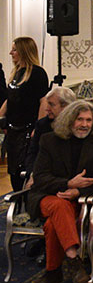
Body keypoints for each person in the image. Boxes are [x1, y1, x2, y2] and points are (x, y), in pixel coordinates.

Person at [25, 101, 93, 283]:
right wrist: (68, 184)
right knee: (59, 206)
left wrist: (78, 191)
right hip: (48, 196)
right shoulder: (49, 140)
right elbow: (41, 177)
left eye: (89, 120)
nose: (85, 124)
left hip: (79, 199)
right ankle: (73, 259)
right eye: (80, 119)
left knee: (52, 225)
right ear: (69, 120)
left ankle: (53, 273)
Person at [1, 36, 49, 191]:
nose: (11, 53)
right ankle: (17, 196)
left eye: (14, 49)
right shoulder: (16, 73)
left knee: (24, 167)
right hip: (13, 129)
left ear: (23, 51)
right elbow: (10, 99)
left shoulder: (37, 73)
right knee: (13, 168)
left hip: (28, 128)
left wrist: (38, 127)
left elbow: (43, 101)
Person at [23, 86, 77, 186]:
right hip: (44, 175)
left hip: (70, 177)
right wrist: (33, 174)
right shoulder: (42, 125)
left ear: (66, 107)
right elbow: (33, 153)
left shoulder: (79, 126)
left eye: (51, 105)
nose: (47, 109)